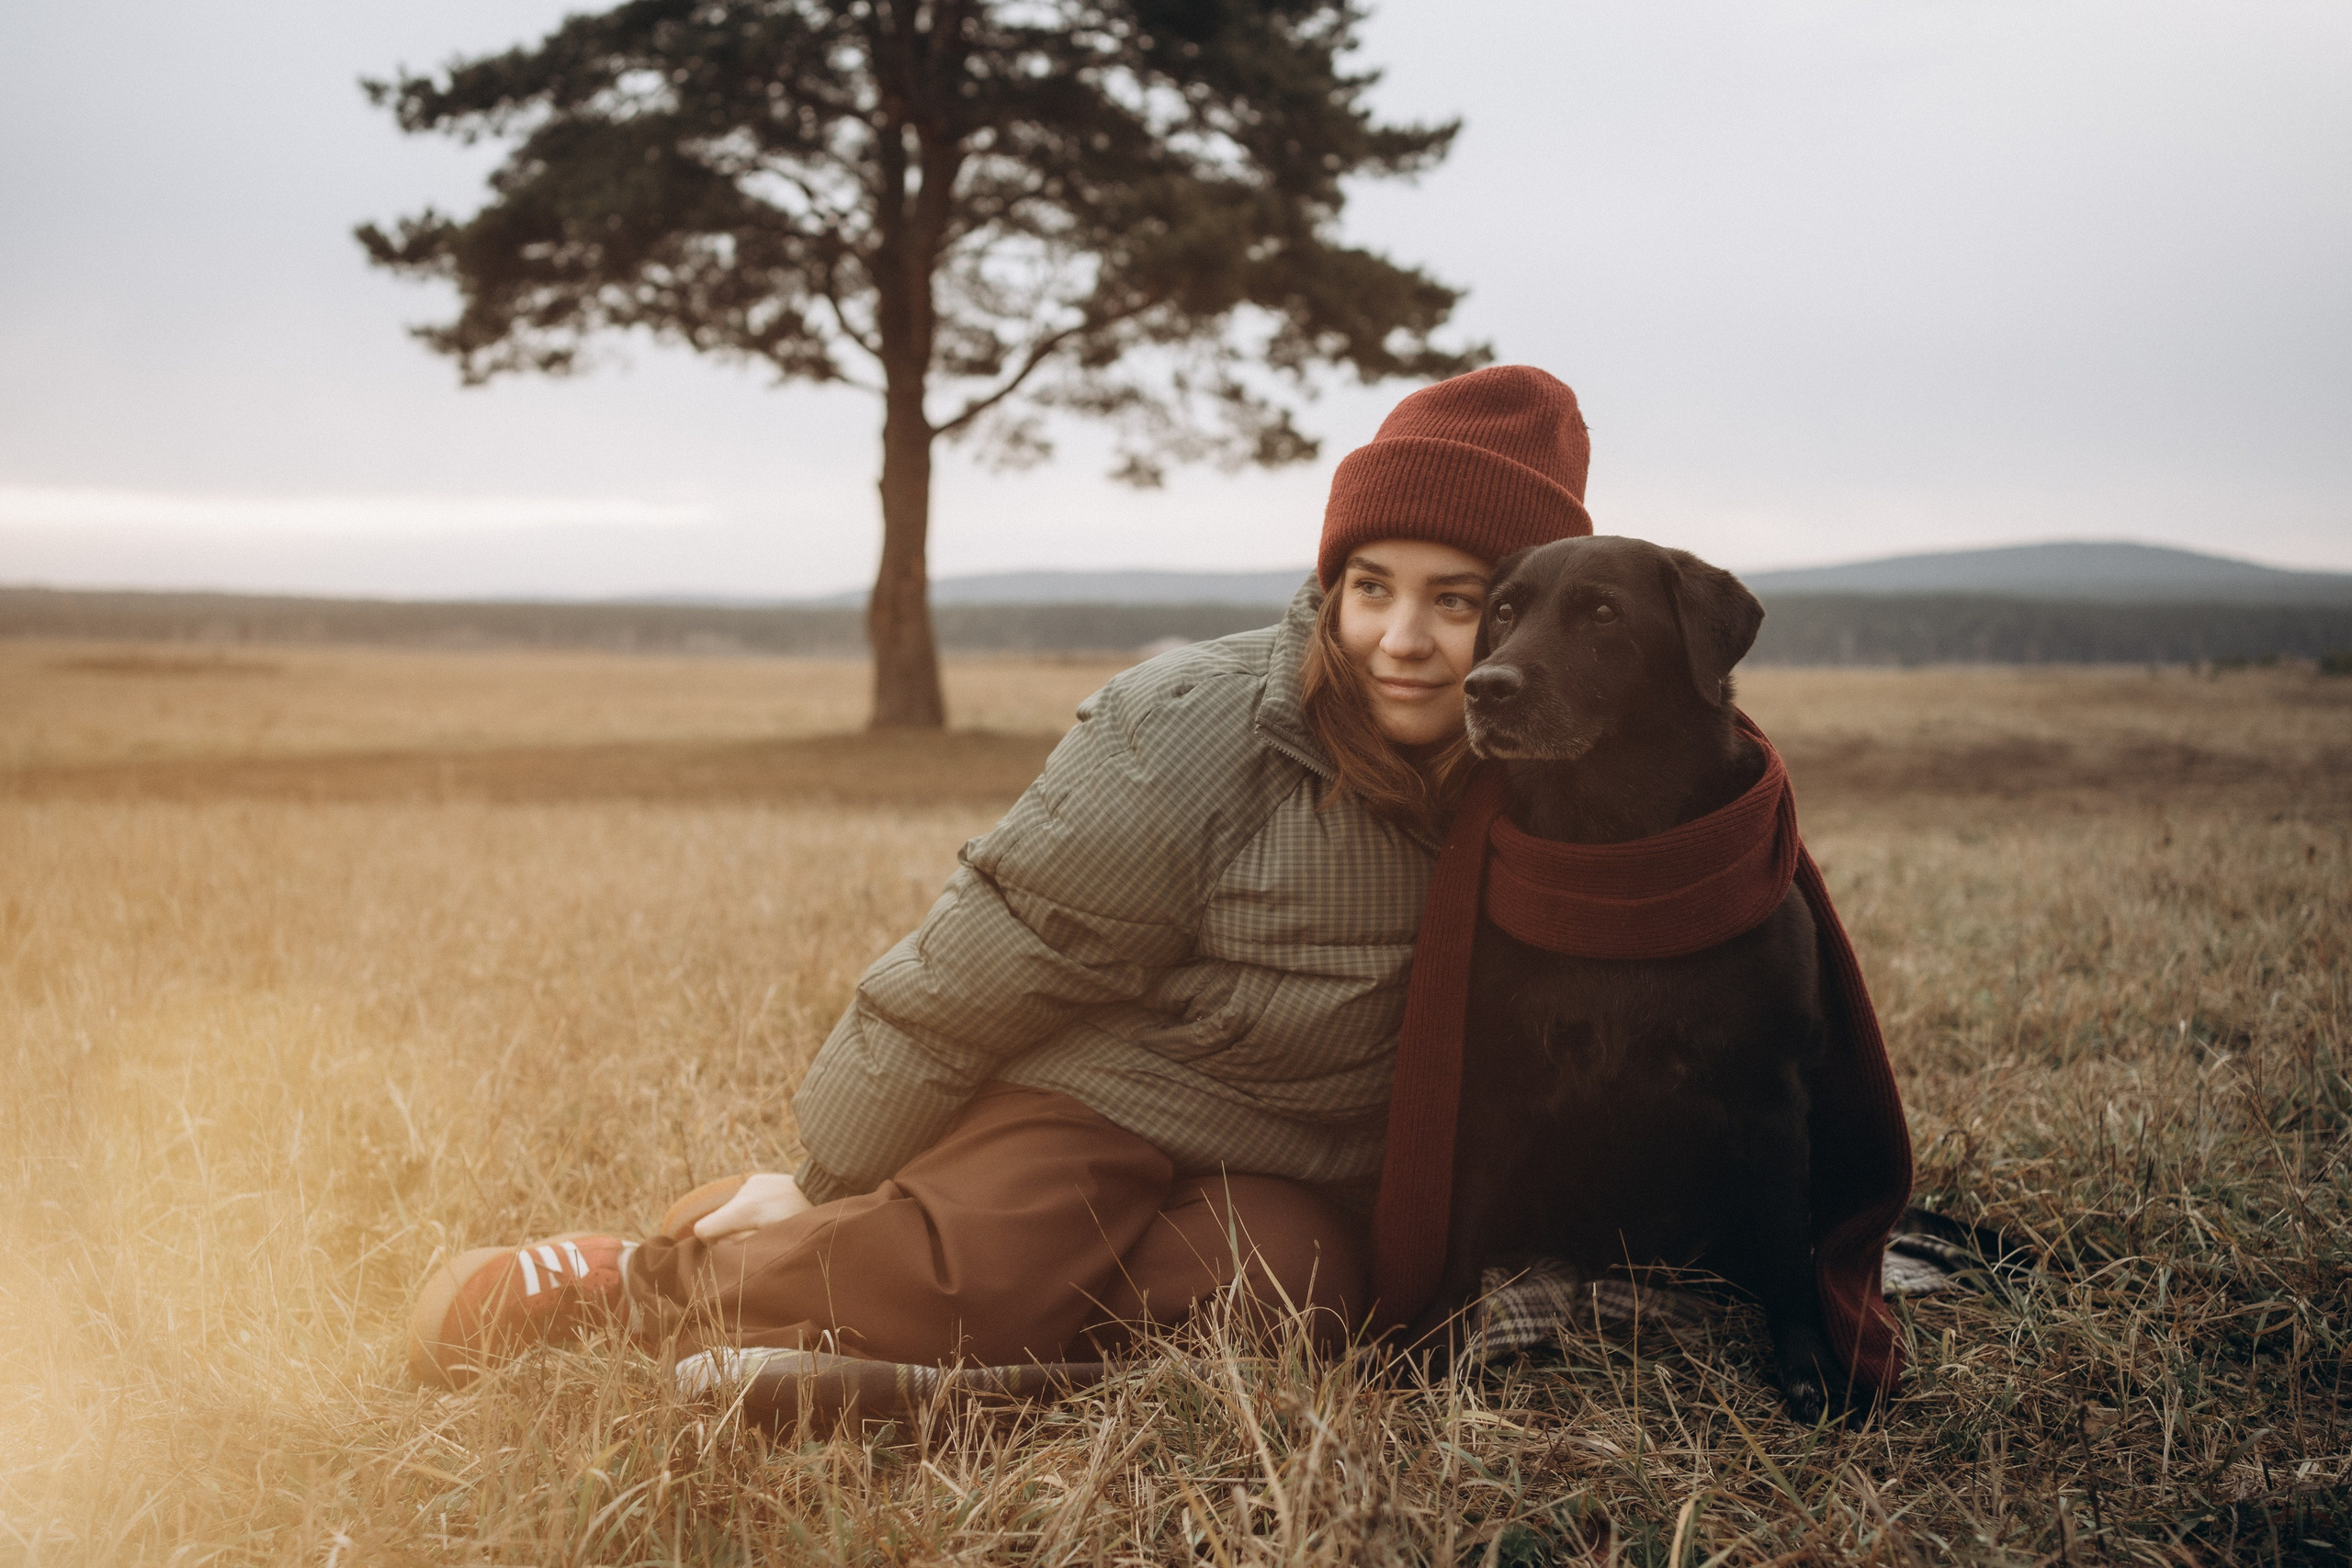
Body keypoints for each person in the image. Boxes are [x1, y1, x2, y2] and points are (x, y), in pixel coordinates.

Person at [407, 365, 1599, 1387]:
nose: (1402, 638)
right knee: (988, 1264)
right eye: (1373, 588)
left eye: (1459, 602)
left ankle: (917, 1363)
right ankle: (638, 1284)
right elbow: (994, 951)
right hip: (1094, 1099)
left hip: (1283, 1164)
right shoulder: (1197, 724)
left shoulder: (1550, 773)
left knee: (1292, 1302)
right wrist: (827, 1179)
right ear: (1333, 583)